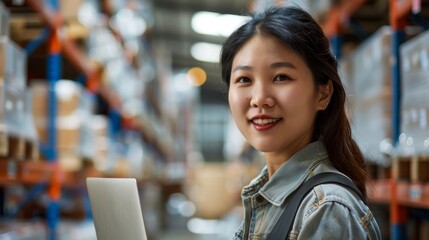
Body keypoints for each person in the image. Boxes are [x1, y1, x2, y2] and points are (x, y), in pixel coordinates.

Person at [220, 6, 381, 240]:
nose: (259, 99)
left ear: (323, 94)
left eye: (281, 77)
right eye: (244, 79)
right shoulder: (268, 197)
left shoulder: (326, 210)